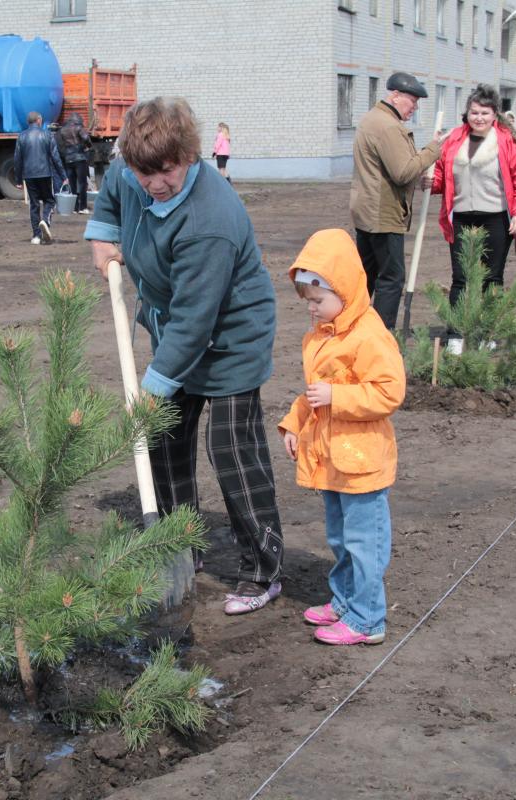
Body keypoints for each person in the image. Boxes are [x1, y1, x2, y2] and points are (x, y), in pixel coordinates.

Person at [84, 97, 285, 615]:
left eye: (166, 171)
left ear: (191, 156)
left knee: (231, 450)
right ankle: (179, 545)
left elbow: (198, 320)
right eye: (143, 171)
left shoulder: (208, 221)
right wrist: (104, 237)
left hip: (230, 337)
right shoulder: (131, 172)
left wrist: (150, 387)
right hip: (176, 328)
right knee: (164, 439)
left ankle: (262, 570)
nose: (154, 183)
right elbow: (110, 195)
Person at [278, 229, 406, 646]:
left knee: (364, 542)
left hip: (362, 462)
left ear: (345, 290)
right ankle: (345, 599)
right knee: (339, 537)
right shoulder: (321, 336)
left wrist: (339, 396)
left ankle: (368, 619)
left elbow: (389, 391)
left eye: (318, 301)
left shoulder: (369, 335)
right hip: (333, 460)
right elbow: (315, 393)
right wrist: (295, 424)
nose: (312, 310)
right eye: (308, 302)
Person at [426, 84, 516, 355]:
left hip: (497, 218)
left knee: (492, 279)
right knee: (460, 278)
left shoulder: (509, 141)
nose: (478, 118)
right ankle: (456, 335)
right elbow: (442, 175)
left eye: (484, 113)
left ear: (495, 114)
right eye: (474, 112)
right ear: (467, 112)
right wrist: (430, 181)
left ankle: (488, 333)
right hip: (462, 218)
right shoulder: (454, 138)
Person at [351, 71, 446, 330]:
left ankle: (352, 328)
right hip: (384, 214)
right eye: (412, 101)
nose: (415, 107)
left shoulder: (372, 118)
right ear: (395, 95)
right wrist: (432, 151)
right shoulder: (389, 126)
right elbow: (402, 171)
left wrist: (418, 176)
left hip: (368, 211)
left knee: (365, 277)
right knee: (391, 279)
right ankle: (381, 337)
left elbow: (384, 170)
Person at [14, 111, 66, 244]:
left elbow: (17, 159)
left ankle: (36, 236)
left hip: (29, 175)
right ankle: (45, 222)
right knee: (49, 201)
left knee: (34, 204)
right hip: (45, 173)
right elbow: (55, 157)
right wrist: (63, 176)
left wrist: (18, 180)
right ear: (38, 120)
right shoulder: (47, 135)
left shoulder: (22, 136)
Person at [56, 112, 92, 214]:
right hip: (80, 158)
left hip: (68, 159)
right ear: (77, 121)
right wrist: (88, 146)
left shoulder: (62, 130)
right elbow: (86, 138)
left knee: (72, 184)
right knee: (82, 183)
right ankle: (83, 207)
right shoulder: (79, 128)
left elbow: (60, 145)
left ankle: (75, 207)